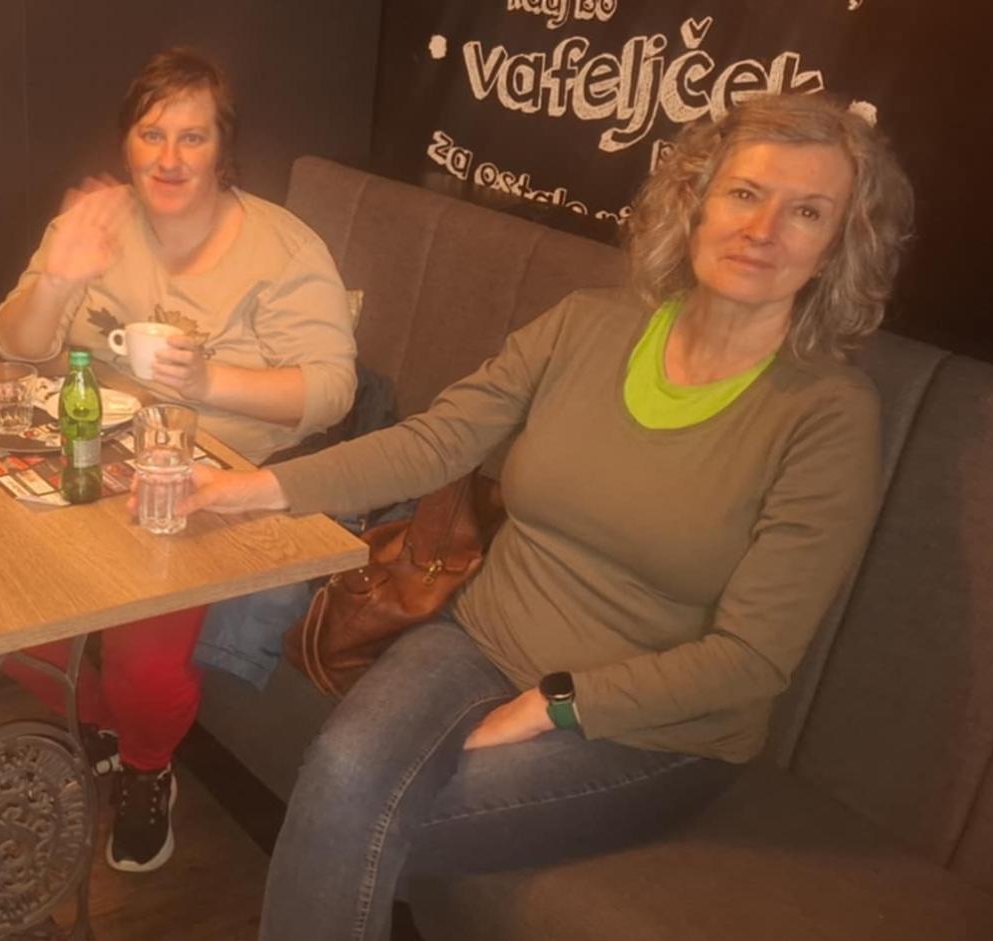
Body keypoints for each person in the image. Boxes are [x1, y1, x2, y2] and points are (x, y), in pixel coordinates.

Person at [180, 93, 914, 939]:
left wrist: (553, 704)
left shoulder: (827, 416)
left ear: (838, 245)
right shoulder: (587, 326)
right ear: (697, 199)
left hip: (652, 727)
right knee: (344, 775)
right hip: (477, 639)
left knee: (359, 815)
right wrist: (252, 489)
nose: (764, 229)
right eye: (745, 193)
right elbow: (436, 441)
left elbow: (751, 659)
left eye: (807, 211)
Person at [0, 48, 357, 873]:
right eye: (152, 134)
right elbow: (16, 344)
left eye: (193, 137)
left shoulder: (283, 249)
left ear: (224, 149)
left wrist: (209, 381)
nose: (169, 157)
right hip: (83, 458)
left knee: (146, 658)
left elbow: (334, 389)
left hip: (207, 481)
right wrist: (57, 280)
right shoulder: (96, 225)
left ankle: (147, 767)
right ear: (126, 143)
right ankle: (109, 728)